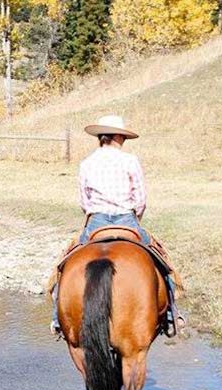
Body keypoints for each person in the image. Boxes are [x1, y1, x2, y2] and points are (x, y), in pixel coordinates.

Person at [50, 115, 184, 336]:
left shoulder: (87, 163)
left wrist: (95, 212)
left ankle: (57, 319)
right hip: (127, 220)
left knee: (62, 266)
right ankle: (170, 314)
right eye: (123, 137)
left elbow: (84, 201)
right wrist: (135, 218)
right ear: (117, 136)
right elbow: (140, 199)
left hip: (96, 222)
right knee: (163, 262)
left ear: (101, 137)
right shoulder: (130, 161)